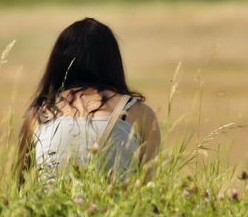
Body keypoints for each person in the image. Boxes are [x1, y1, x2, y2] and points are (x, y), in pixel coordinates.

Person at [16, 18, 160, 185]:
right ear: (112, 62)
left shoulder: (38, 115)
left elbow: (20, 187)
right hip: (113, 209)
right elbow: (149, 188)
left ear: (58, 64)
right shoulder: (139, 113)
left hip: (52, 210)